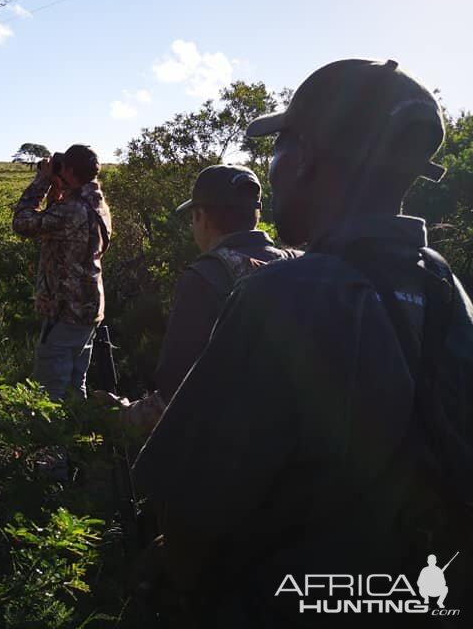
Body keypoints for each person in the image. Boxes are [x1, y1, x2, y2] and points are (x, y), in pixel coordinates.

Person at [131, 58, 473, 626]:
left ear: (307, 158)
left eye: (280, 146)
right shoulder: (444, 285)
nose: (274, 166)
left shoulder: (285, 295)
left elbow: (188, 510)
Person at [93, 165, 300, 432]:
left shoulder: (205, 276)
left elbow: (177, 397)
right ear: (256, 215)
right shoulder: (300, 263)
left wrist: (120, 415)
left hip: (237, 453)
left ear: (201, 216)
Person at [12, 144, 112, 404]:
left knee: (49, 392)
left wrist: (42, 182)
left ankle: (49, 442)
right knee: (74, 387)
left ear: (68, 170)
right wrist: (58, 190)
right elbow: (59, 225)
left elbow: (22, 223)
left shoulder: (72, 210)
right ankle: (79, 437)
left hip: (65, 310)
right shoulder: (97, 205)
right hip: (88, 309)